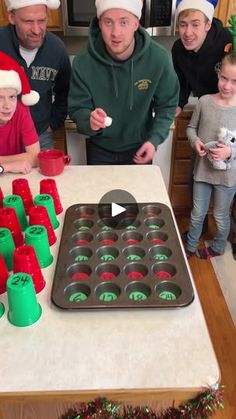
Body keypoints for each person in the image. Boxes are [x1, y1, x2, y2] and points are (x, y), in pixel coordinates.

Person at [68, 0, 179, 165]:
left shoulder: (158, 59)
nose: (115, 33)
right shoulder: (83, 62)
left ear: (136, 23)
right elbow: (77, 109)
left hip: (140, 148)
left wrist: (154, 140)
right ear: (99, 23)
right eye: (108, 22)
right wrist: (89, 121)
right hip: (99, 151)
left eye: (124, 22)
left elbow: (167, 105)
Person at [183, 51, 236, 260]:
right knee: (197, 214)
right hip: (203, 171)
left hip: (227, 177)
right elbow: (191, 128)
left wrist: (230, 151)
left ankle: (218, 247)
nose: (227, 86)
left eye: (234, 81)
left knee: (221, 216)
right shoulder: (204, 102)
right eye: (224, 78)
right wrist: (195, 141)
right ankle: (189, 246)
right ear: (218, 74)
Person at [0, 0, 71, 150]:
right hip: (2, 137)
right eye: (28, 21)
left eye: (42, 20)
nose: (37, 30)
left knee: (45, 174)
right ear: (12, 17)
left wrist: (52, 124)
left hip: (41, 135)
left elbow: (65, 91)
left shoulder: (57, 49)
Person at [172, 0, 232, 117]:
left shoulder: (228, 41)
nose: (188, 33)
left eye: (195, 24)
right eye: (183, 24)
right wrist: (178, 104)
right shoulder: (178, 49)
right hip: (206, 110)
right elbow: (182, 81)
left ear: (207, 25)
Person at [0, 51, 40, 174]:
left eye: (12, 97)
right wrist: (7, 167)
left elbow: (35, 157)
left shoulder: (21, 110)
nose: (7, 106)